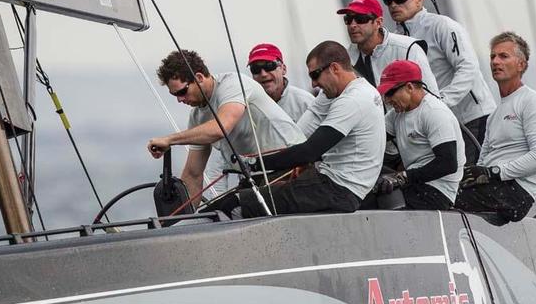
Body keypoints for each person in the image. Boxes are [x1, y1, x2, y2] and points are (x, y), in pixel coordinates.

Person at [209, 41, 384, 218]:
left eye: (315, 75)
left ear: (334, 68)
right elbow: (301, 133)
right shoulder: (348, 90)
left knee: (235, 205)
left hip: (336, 189)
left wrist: (253, 163)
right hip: (332, 182)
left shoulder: (352, 100)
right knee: (246, 194)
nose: (314, 84)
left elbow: (309, 152)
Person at [146, 49, 304, 202]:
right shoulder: (197, 116)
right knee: (214, 214)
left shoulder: (232, 85)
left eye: (182, 92)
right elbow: (193, 174)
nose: (179, 100)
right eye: (174, 95)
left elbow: (220, 128)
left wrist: (169, 140)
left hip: (293, 169)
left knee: (231, 210)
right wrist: (182, 221)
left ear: (199, 77)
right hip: (258, 179)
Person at [382, 0, 496, 164]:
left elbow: (468, 67)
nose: (393, 5)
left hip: (473, 118)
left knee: (473, 182)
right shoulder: (396, 39)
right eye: (388, 0)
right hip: (438, 123)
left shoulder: (442, 25)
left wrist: (440, 102)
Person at [454, 32, 536, 222]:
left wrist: (494, 173)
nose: (495, 61)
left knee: (441, 198)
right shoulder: (494, 114)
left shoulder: (533, 103)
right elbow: (483, 160)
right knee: (441, 189)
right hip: (495, 187)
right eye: (492, 56)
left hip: (515, 192)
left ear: (521, 65)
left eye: (503, 56)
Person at [204, 43, 315, 196]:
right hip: (255, 187)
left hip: (299, 185)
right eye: (256, 69)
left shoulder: (305, 102)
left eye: (269, 66)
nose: (263, 73)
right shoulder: (237, 107)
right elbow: (219, 161)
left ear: (283, 68)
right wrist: (217, 200)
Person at [372, 60, 464, 210]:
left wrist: (403, 178)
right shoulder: (397, 114)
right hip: (415, 182)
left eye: (390, 93)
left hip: (437, 191)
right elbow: (373, 139)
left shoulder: (434, 112)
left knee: (371, 201)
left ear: (409, 87)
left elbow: (448, 163)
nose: (387, 100)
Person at [339, 0, 440, 96]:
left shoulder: (408, 48)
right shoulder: (345, 60)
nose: (352, 25)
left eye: (360, 19)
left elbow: (431, 95)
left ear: (378, 22)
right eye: (348, 19)